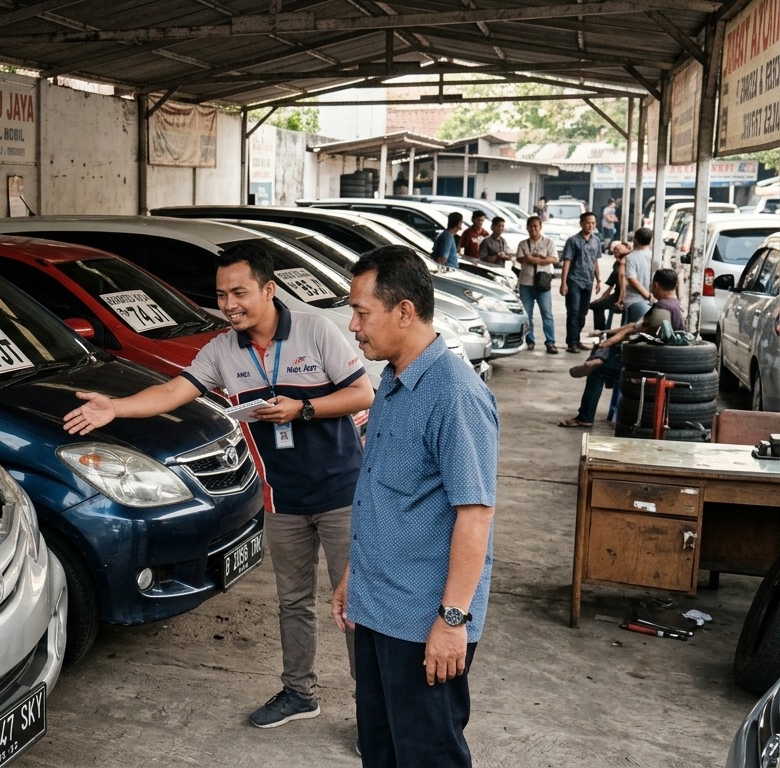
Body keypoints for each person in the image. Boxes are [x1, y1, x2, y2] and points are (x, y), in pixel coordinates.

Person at [63, 243, 375, 730]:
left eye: (239, 293)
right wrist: (114, 408)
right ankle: (299, 692)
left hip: (343, 496)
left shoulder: (315, 330)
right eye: (220, 294)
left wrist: (302, 408)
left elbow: (362, 392)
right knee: (293, 602)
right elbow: (173, 391)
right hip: (281, 499)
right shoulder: (223, 349)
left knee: (354, 604)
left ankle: (371, 713)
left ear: (269, 291)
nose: (228, 304)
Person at [331, 244, 498, 768]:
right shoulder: (392, 382)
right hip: (376, 604)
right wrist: (354, 574)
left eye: (362, 312)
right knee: (380, 751)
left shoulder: (453, 393)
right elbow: (383, 493)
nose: (353, 327)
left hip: (423, 619)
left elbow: (475, 515)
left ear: (404, 310)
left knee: (428, 755)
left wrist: (452, 621)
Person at [557, 268, 683, 429]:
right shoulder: (675, 305)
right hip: (655, 359)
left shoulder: (662, 310)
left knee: (598, 371)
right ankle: (598, 357)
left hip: (649, 363)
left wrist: (609, 342)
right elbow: (634, 325)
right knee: (606, 343)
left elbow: (636, 331)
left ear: (656, 285)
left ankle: (585, 417)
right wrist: (607, 333)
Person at [559, 212, 601, 353]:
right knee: (573, 312)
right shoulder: (573, 241)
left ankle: (577, 339)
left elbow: (595, 261)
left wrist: (598, 279)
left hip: (588, 281)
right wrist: (563, 282)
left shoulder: (596, 240)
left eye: (593, 223)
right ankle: (571, 343)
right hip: (574, 281)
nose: (591, 225)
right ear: (581, 223)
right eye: (588, 222)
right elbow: (567, 261)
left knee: (583, 313)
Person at [515, 216, 558, 353]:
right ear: (527, 227)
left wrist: (533, 260)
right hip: (525, 284)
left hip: (543, 284)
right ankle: (530, 341)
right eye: (531, 226)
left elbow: (554, 259)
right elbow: (520, 258)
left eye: (536, 226)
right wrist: (541, 259)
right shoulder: (523, 244)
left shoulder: (548, 242)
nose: (533, 229)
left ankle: (550, 342)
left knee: (547, 314)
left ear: (540, 227)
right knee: (527, 314)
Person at [589, 241, 628, 332]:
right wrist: (603, 296)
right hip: (617, 294)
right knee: (595, 305)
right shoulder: (617, 264)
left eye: (618, 252)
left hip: (628, 296)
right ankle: (601, 332)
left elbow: (624, 285)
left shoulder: (630, 261)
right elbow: (612, 282)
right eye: (614, 252)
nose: (616, 254)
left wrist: (621, 300)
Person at [620, 227, 655, 323]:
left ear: (635, 240)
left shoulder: (631, 257)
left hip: (634, 301)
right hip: (651, 301)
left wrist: (648, 296)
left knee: (630, 332)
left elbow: (632, 279)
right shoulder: (655, 256)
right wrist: (651, 297)